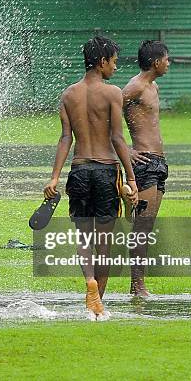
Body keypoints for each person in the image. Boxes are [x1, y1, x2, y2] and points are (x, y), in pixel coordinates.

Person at [43, 36, 138, 318]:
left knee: (83, 237)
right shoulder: (112, 94)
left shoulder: (68, 94)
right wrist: (131, 180)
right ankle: (98, 306)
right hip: (106, 171)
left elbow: (65, 139)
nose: (116, 67)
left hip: (80, 170)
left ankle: (89, 282)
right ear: (101, 62)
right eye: (114, 62)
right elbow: (118, 138)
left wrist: (54, 177)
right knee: (104, 242)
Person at [122, 40, 170, 297]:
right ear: (155, 62)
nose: (168, 63)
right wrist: (126, 150)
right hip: (145, 163)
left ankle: (139, 284)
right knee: (142, 226)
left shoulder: (154, 86)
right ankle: (137, 286)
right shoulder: (135, 86)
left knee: (147, 225)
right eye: (166, 59)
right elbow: (106, 114)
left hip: (159, 163)